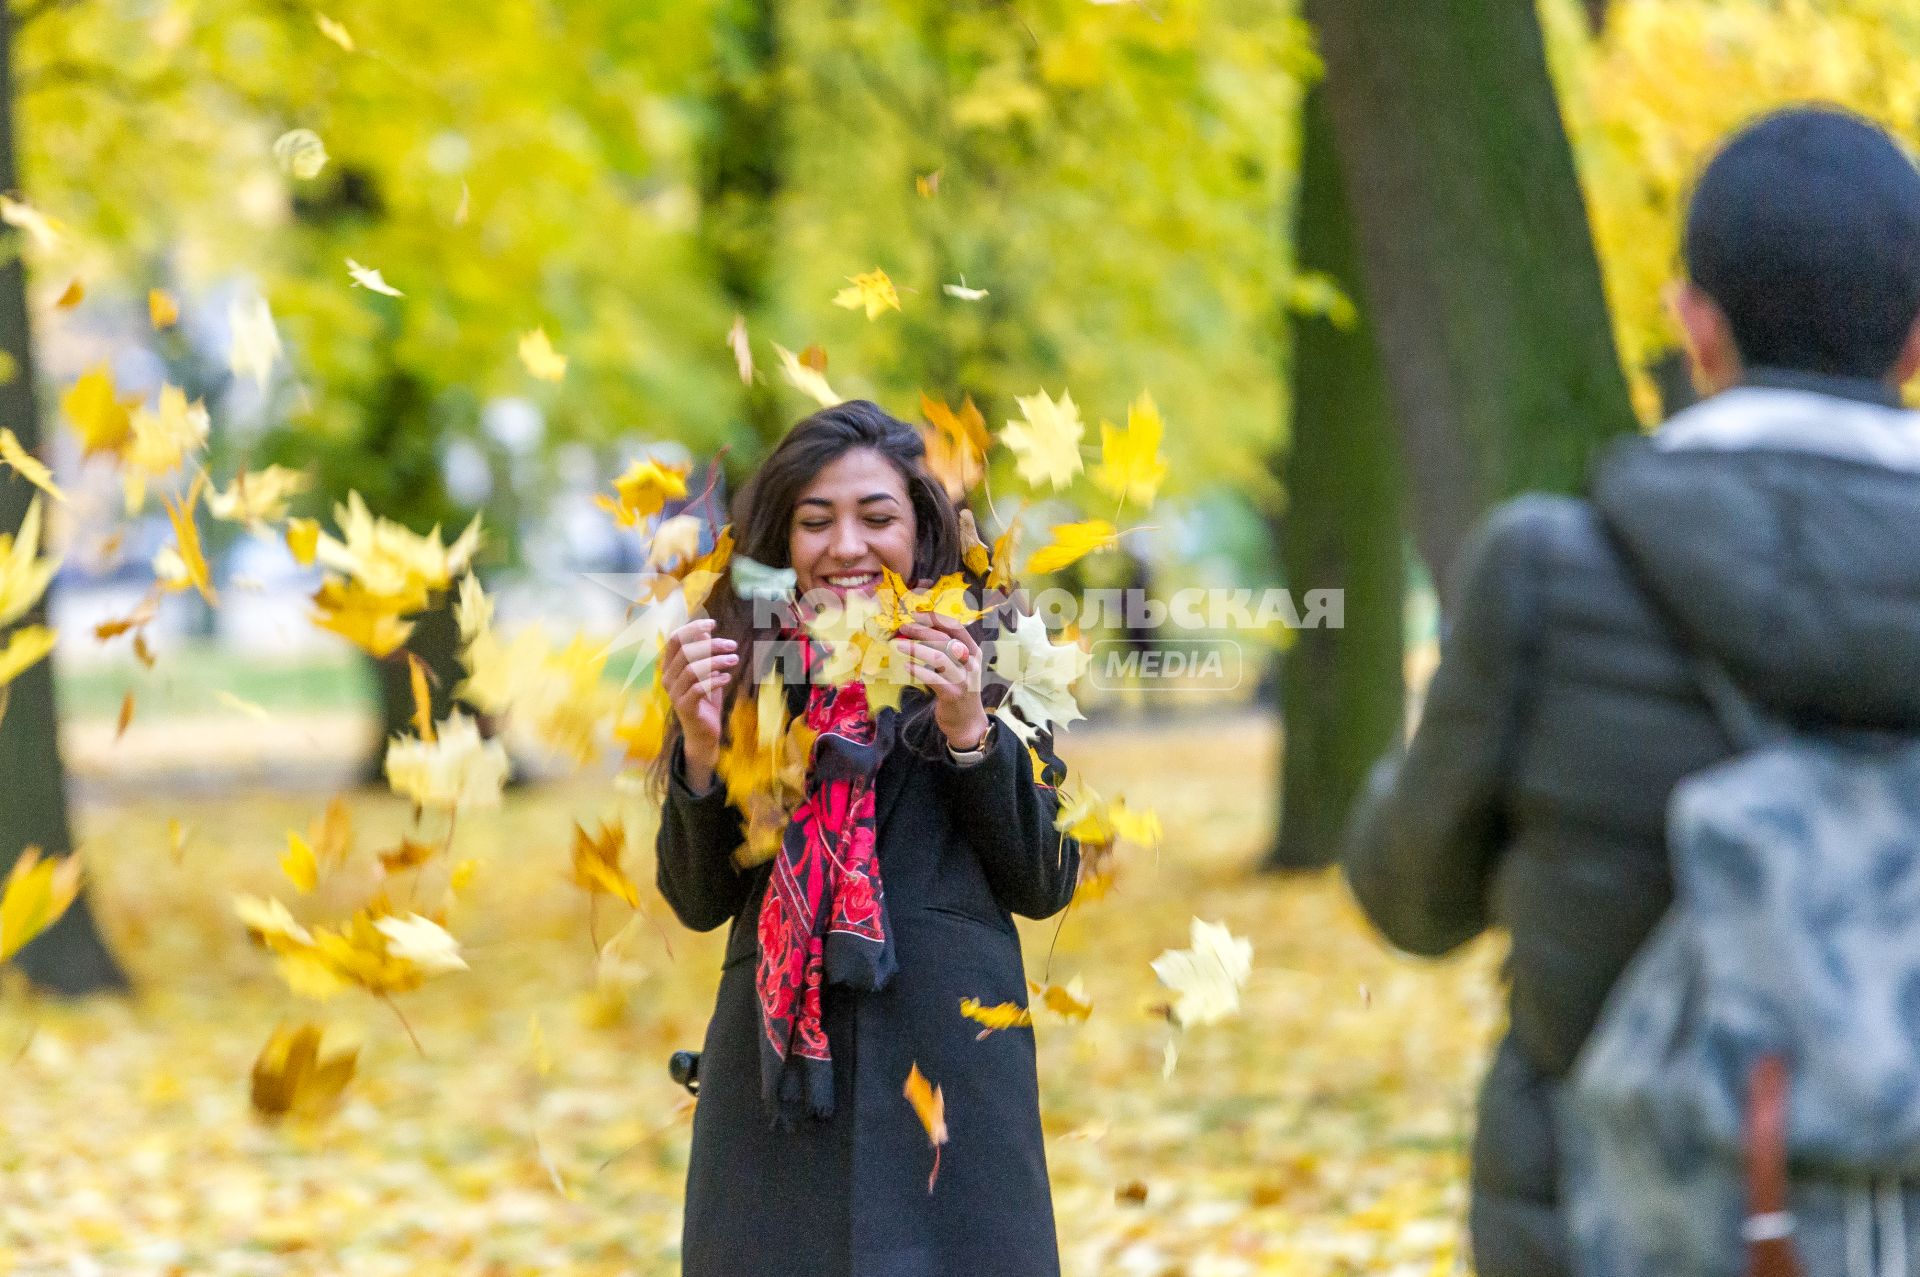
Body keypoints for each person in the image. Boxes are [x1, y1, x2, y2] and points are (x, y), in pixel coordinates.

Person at [1342, 105, 1920, 1276]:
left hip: (1603, 1220)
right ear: (1916, 338)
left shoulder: (1552, 574)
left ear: (1696, 325)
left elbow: (1414, 897)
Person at [652, 400, 1080, 1277]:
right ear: (783, 541)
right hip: (778, 1101)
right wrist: (700, 747)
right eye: (817, 521)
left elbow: (1045, 878)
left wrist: (969, 730)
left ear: (920, 529)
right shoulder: (742, 665)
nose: (846, 544)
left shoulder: (994, 653)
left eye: (876, 517)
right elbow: (697, 901)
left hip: (950, 1086)